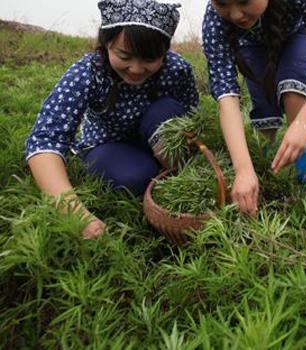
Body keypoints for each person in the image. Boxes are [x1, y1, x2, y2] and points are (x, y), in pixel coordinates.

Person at [25, 0, 199, 239]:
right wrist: (74, 213)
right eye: (124, 55)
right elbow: (45, 139)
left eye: (150, 59)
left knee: (166, 111)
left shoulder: (177, 69)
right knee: (138, 178)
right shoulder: (88, 72)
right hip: (106, 146)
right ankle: (151, 173)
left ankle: (180, 174)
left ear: (166, 51)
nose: (136, 69)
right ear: (107, 43)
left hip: (154, 139)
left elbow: (190, 118)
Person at [202, 0, 306, 215]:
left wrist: (302, 123)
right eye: (222, 4)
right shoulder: (214, 20)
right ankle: (269, 173)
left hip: (295, 35)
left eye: (243, 1)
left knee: (292, 88)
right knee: (264, 108)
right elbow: (226, 96)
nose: (235, 15)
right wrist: (242, 170)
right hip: (252, 46)